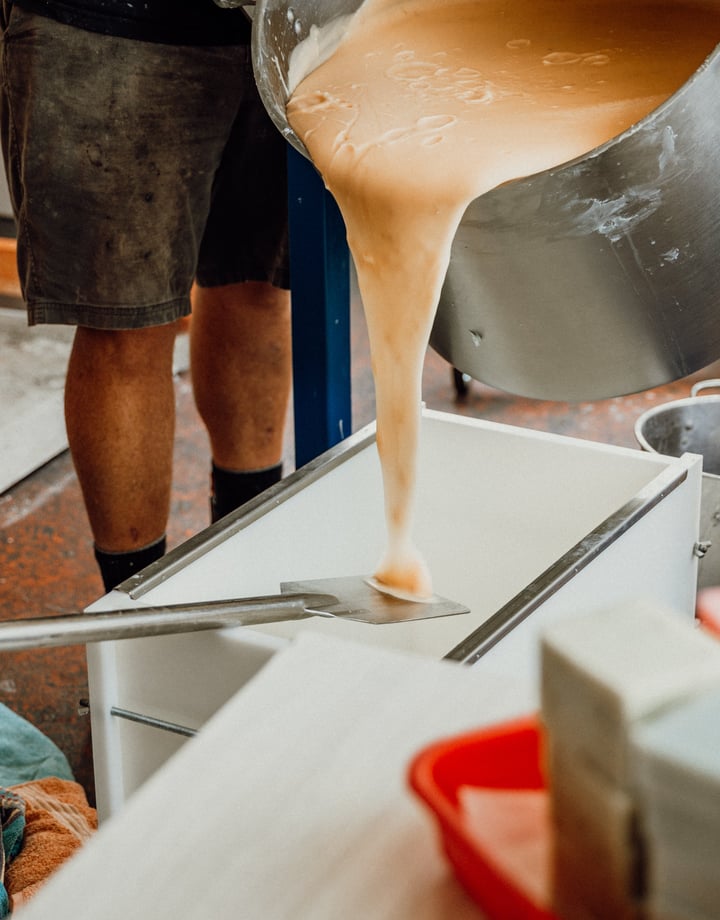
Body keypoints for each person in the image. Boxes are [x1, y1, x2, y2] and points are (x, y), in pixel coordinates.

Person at [0, 0, 293, 591]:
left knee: (255, 286)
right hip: (115, 24)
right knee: (128, 322)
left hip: (282, 30)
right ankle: (137, 622)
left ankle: (247, 578)